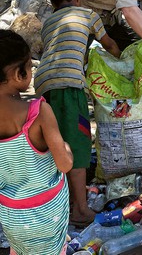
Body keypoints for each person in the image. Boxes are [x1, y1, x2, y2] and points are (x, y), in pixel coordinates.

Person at [34, 0, 121, 227]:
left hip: (43, 85)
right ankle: (81, 210)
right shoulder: (87, 14)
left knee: (55, 144)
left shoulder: (48, 22)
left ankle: (65, 204)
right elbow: (110, 44)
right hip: (68, 85)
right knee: (78, 143)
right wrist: (123, 64)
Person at [0, 30, 73, 255]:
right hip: (48, 213)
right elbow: (64, 165)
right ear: (17, 73)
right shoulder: (39, 111)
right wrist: (67, 150)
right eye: (29, 66)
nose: (32, 71)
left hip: (11, 215)